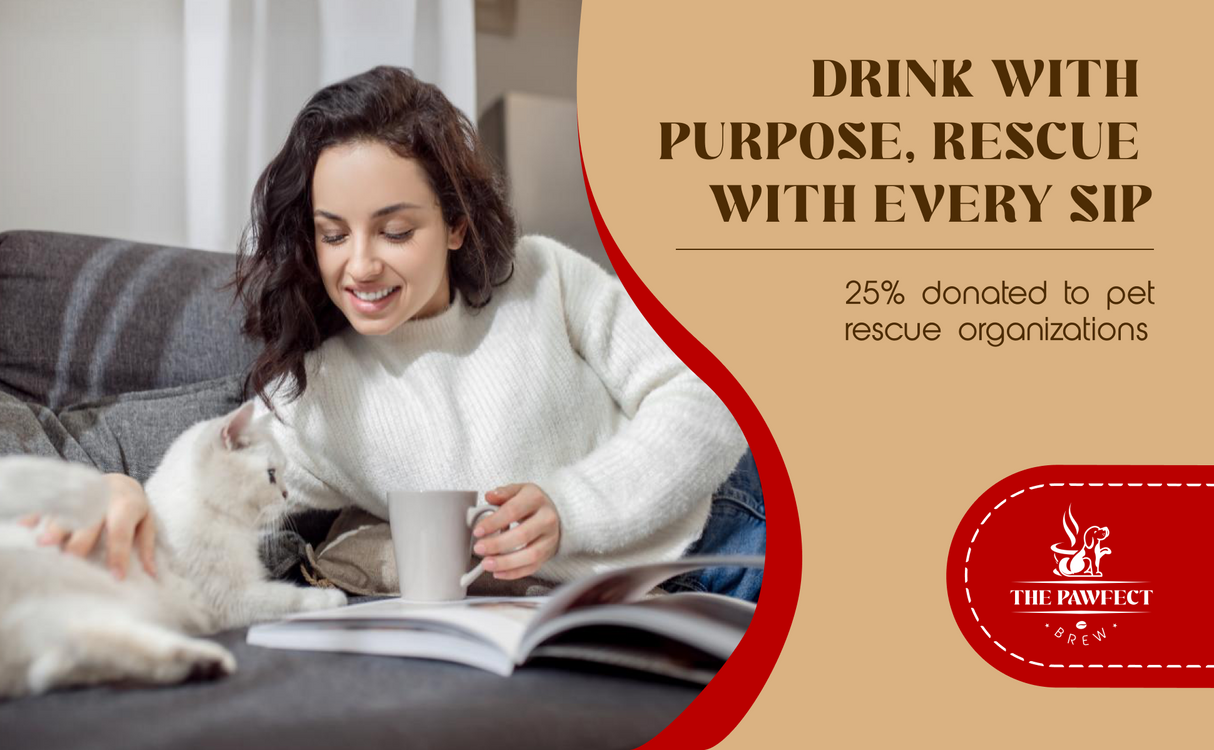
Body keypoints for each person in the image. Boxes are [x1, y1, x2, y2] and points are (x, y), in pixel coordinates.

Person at [30, 66, 764, 601]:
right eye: (332, 234)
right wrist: (120, 492)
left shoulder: (545, 277)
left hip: (723, 525)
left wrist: (571, 506)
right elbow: (204, 499)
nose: (360, 264)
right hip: (593, 610)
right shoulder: (316, 398)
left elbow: (707, 396)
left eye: (395, 229)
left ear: (453, 224)